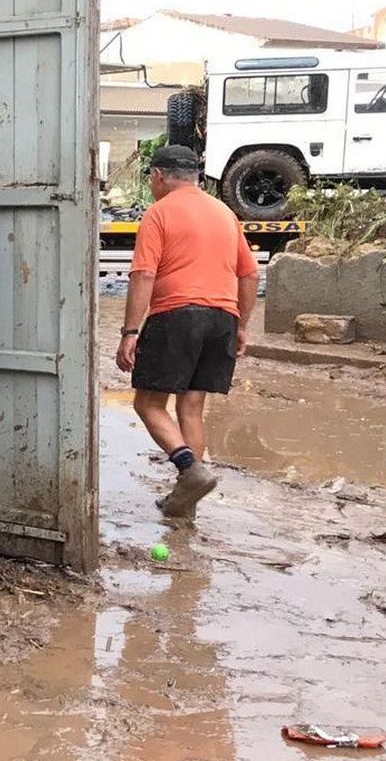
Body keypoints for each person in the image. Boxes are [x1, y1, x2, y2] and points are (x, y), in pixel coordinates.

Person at [117, 144, 259, 518]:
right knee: (192, 408)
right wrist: (240, 326)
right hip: (222, 319)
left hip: (177, 314)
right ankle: (187, 501)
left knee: (148, 403)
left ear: (158, 177)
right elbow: (250, 274)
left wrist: (130, 331)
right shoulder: (225, 213)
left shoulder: (159, 213)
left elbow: (144, 274)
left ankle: (188, 468)